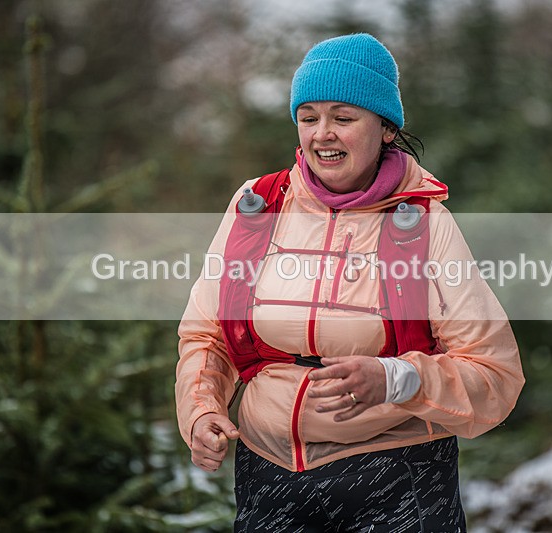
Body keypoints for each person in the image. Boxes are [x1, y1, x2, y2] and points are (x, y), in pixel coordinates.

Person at [176, 33, 524, 532]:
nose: (323, 134)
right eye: (308, 117)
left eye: (343, 118)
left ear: (385, 128)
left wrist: (394, 379)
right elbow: (206, 334)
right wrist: (201, 409)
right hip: (268, 474)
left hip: (397, 476)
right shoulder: (257, 207)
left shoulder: (424, 224)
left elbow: (495, 377)